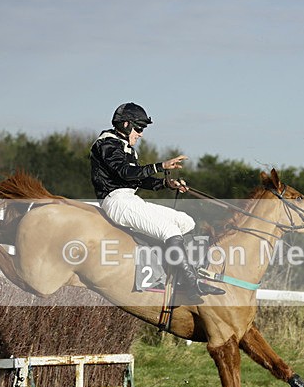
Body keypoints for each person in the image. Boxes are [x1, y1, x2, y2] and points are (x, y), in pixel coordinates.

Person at [90, 102, 224, 301]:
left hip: (130, 200)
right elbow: (126, 173)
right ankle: (191, 283)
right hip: (116, 201)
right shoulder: (107, 144)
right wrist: (160, 166)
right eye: (139, 128)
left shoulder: (125, 147)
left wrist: (166, 183)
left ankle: (179, 272)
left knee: (185, 221)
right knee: (169, 230)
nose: (141, 134)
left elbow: (137, 179)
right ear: (126, 124)